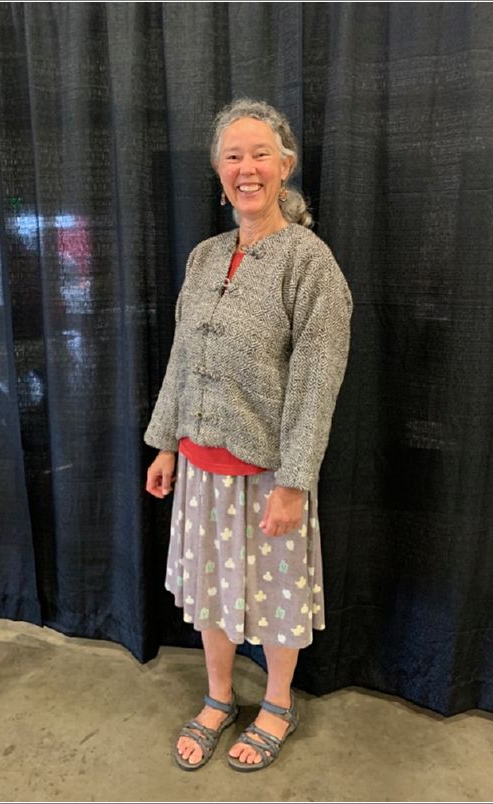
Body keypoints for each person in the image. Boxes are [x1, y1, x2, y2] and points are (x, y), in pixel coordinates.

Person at [144, 97, 353, 772]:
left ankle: (279, 704)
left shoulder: (308, 263)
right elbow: (182, 355)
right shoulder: (204, 258)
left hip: (269, 472)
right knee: (209, 590)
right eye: (233, 156)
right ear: (218, 171)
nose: (247, 168)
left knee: (279, 596)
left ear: (285, 165)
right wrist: (166, 442)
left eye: (260, 153)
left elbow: (317, 384)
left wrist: (294, 483)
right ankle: (217, 696)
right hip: (201, 466)